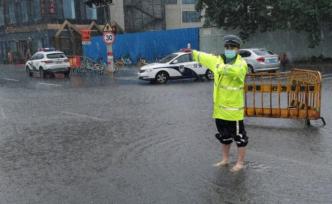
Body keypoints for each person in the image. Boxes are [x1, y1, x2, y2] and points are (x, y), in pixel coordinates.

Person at [192, 35, 248, 172]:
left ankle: (240, 163)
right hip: (219, 110)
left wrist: (219, 66)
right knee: (224, 137)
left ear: (238, 49)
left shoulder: (241, 64)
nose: (229, 50)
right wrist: (192, 53)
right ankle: (225, 159)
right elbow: (205, 57)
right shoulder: (218, 60)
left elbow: (233, 71)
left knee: (240, 138)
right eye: (227, 47)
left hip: (234, 111)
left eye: (232, 47)